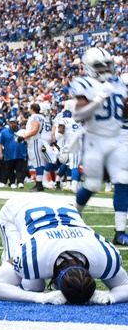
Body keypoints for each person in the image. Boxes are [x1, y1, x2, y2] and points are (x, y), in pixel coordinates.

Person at [0, 193, 128, 304]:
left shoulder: (102, 257)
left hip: (58, 204)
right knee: (31, 286)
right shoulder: (35, 256)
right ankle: (8, 259)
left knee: (33, 281)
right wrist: (38, 297)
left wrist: (111, 297)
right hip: (16, 208)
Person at [69, 47, 128, 245]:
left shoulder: (119, 82)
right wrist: (100, 98)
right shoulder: (82, 83)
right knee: (93, 185)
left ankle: (120, 232)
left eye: (107, 65)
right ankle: (72, 218)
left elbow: (124, 114)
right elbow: (78, 115)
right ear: (89, 67)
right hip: (94, 138)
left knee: (123, 180)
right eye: (99, 66)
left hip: (116, 137)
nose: (104, 69)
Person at [17, 102, 50, 192]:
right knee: (39, 163)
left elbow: (35, 130)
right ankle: (39, 183)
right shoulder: (43, 117)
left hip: (36, 141)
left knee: (38, 163)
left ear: (32, 109)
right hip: (39, 141)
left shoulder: (35, 117)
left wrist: (23, 137)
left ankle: (39, 185)